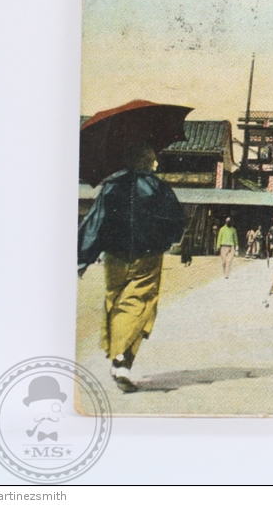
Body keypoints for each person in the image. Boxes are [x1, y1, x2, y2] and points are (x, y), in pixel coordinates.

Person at [78, 142, 185, 393]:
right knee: (139, 304)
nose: (155, 164)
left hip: (114, 255)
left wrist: (83, 258)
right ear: (148, 162)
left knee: (114, 301)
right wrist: (164, 240)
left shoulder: (111, 186)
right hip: (147, 255)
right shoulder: (159, 187)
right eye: (152, 159)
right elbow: (177, 221)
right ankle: (122, 360)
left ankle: (115, 354)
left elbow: (95, 223)